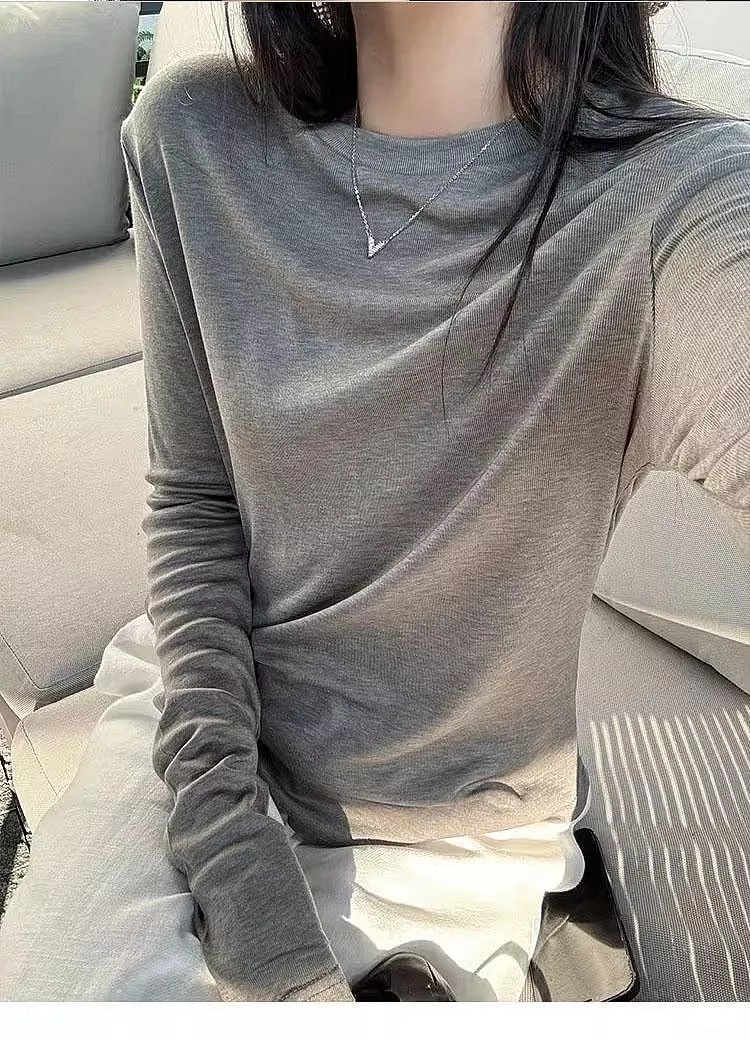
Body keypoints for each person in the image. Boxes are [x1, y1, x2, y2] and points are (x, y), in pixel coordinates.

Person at [1, 0, 748, 1002]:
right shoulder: (192, 133)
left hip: (455, 818)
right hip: (196, 703)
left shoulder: (677, 199)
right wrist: (234, 854)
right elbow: (196, 500)